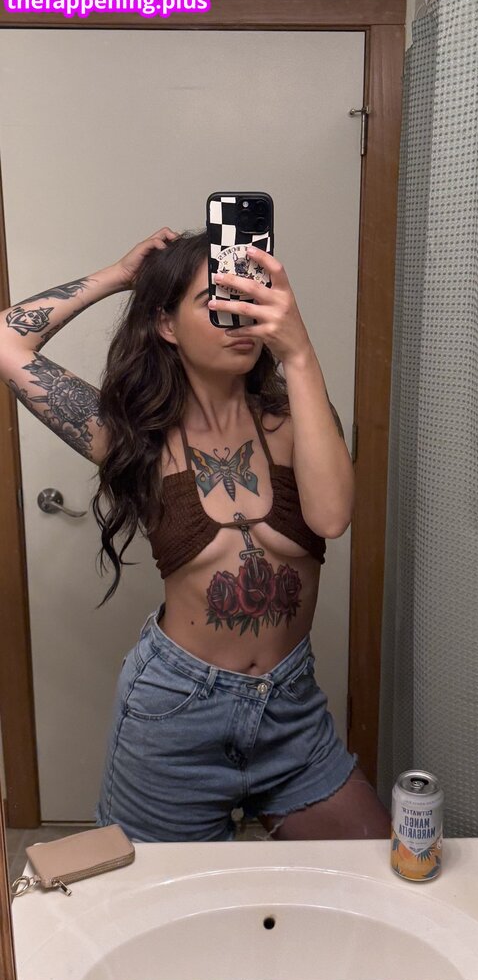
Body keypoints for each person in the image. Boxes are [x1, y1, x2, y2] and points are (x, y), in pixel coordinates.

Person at [0, 226, 391, 842]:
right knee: (161, 897)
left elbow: (331, 518)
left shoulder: (297, 418)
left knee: (375, 877)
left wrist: (297, 352)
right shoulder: (131, 437)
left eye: (248, 299)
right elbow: (6, 340)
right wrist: (118, 276)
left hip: (291, 712)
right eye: (215, 301)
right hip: (175, 711)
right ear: (166, 324)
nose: (238, 318)